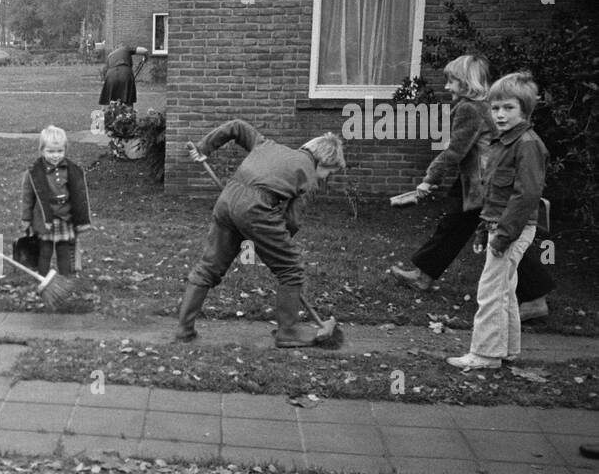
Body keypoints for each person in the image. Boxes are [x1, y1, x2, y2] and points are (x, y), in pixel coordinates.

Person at [388, 55, 553, 319]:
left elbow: (455, 150)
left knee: (500, 236)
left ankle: (535, 299)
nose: (447, 87)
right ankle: (424, 274)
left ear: (466, 82)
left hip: (484, 185)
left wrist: (430, 178)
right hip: (476, 180)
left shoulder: (470, 109)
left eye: (452, 81)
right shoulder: (486, 106)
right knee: (454, 227)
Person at [174, 120, 346, 347]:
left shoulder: (267, 145)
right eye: (329, 172)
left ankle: (184, 331)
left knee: (209, 267)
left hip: (227, 199)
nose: (326, 178)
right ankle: (288, 332)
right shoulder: (309, 176)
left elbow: (236, 127)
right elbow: (292, 221)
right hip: (256, 209)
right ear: (324, 161)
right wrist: (272, 245)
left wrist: (204, 147)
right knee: (291, 269)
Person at [447, 72, 548, 369]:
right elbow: (494, 195)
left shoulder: (528, 145)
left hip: (513, 229)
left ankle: (485, 355)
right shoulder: (502, 143)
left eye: (508, 108)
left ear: (525, 110)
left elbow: (526, 195)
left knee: (490, 292)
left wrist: (503, 235)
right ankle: (507, 350)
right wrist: (483, 228)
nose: (500, 114)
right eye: (495, 108)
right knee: (505, 289)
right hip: (499, 226)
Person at [21, 125, 91, 276]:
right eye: (50, 151)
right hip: (45, 219)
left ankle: (65, 279)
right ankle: (42, 278)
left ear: (65, 150)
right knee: (45, 251)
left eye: (60, 151)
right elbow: (27, 198)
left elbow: (79, 196)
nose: (55, 155)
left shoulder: (72, 170)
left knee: (64, 251)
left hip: (65, 219)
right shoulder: (34, 173)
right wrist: (26, 218)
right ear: (42, 150)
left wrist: (80, 219)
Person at [99, 41, 147, 106]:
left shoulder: (110, 55)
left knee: (112, 101)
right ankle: (129, 114)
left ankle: (112, 114)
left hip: (110, 75)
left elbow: (104, 70)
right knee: (128, 99)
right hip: (125, 73)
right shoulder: (126, 48)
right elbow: (144, 50)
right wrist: (146, 57)